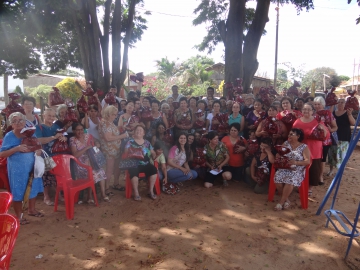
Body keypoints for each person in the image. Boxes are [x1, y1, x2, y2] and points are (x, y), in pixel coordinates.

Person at [0, 112, 44, 225]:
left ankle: (31, 210)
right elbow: (2, 154)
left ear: (25, 121)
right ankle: (19, 216)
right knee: (18, 191)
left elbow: (38, 146)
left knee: (33, 187)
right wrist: (16, 148)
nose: (18, 123)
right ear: (11, 124)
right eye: (14, 121)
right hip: (17, 169)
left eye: (20, 120)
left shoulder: (30, 132)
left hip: (32, 166)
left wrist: (38, 150)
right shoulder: (9, 136)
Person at [293, 103, 327, 196]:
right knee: (300, 168)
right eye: (304, 109)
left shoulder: (318, 121)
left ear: (312, 111)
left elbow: (326, 135)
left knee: (313, 169)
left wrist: (322, 128)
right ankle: (300, 185)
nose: (306, 111)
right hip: (300, 149)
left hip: (314, 149)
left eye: (308, 109)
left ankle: (309, 188)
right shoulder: (297, 121)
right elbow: (292, 134)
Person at [36, 108, 68, 206]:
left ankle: (58, 195)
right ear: (43, 116)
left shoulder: (56, 126)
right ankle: (46, 196)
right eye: (49, 115)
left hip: (57, 155)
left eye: (53, 116)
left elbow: (65, 135)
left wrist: (63, 137)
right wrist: (54, 137)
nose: (51, 117)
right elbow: (39, 140)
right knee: (47, 177)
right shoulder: (39, 127)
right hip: (46, 155)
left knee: (57, 176)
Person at [273, 128, 311, 211]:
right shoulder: (286, 143)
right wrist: (278, 155)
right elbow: (280, 153)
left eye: (291, 134)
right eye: (289, 134)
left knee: (290, 179)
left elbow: (307, 161)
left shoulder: (304, 147)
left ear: (298, 136)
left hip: (297, 169)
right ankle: (286, 200)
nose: (289, 136)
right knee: (277, 178)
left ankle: (281, 202)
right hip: (285, 167)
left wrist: (296, 162)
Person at [70, 123, 108, 202]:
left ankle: (103, 194)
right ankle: (89, 197)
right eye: (77, 130)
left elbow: (96, 141)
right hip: (80, 165)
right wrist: (86, 148)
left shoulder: (88, 136)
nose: (80, 132)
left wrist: (97, 144)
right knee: (92, 172)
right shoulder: (72, 140)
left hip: (92, 160)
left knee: (100, 171)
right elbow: (75, 154)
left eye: (81, 130)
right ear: (74, 131)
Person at [98, 105, 128, 196]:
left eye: (116, 114)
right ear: (108, 114)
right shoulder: (105, 123)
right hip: (109, 150)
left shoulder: (109, 122)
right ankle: (106, 188)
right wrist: (122, 136)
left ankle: (115, 183)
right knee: (109, 169)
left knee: (116, 167)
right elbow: (108, 138)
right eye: (113, 114)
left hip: (115, 149)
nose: (115, 116)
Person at [124, 125, 158, 201]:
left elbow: (152, 152)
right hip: (134, 164)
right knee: (133, 172)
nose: (139, 131)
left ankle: (151, 190)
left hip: (146, 163)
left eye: (140, 130)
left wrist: (154, 154)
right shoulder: (130, 141)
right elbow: (125, 153)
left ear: (144, 133)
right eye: (137, 130)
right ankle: (136, 193)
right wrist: (131, 150)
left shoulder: (147, 143)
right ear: (134, 132)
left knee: (153, 170)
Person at [313, 96, 338, 184]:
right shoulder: (312, 114)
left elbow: (335, 127)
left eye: (318, 104)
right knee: (316, 158)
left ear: (323, 104)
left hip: (325, 140)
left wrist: (331, 130)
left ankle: (320, 176)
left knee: (323, 158)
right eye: (315, 104)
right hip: (314, 140)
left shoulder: (328, 113)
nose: (317, 106)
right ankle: (315, 175)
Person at [329, 98, 355, 175]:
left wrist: (350, 114)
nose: (340, 104)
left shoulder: (347, 112)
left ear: (345, 104)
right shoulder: (333, 113)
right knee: (332, 154)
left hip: (344, 137)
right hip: (334, 137)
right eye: (339, 102)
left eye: (342, 102)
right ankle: (331, 170)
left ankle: (340, 171)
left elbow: (353, 123)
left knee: (342, 155)